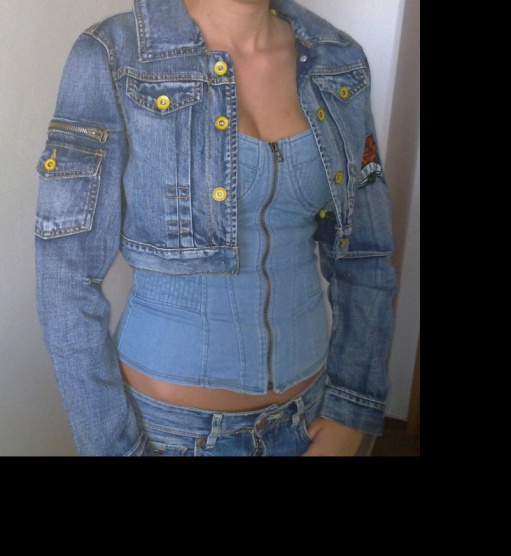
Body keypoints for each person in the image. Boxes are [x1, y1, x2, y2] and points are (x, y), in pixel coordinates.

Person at [35, 0, 398, 457]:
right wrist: (113, 448)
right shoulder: (113, 54)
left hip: (310, 420)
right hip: (169, 434)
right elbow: (65, 277)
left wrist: (351, 411)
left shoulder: (339, 61)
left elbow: (365, 253)